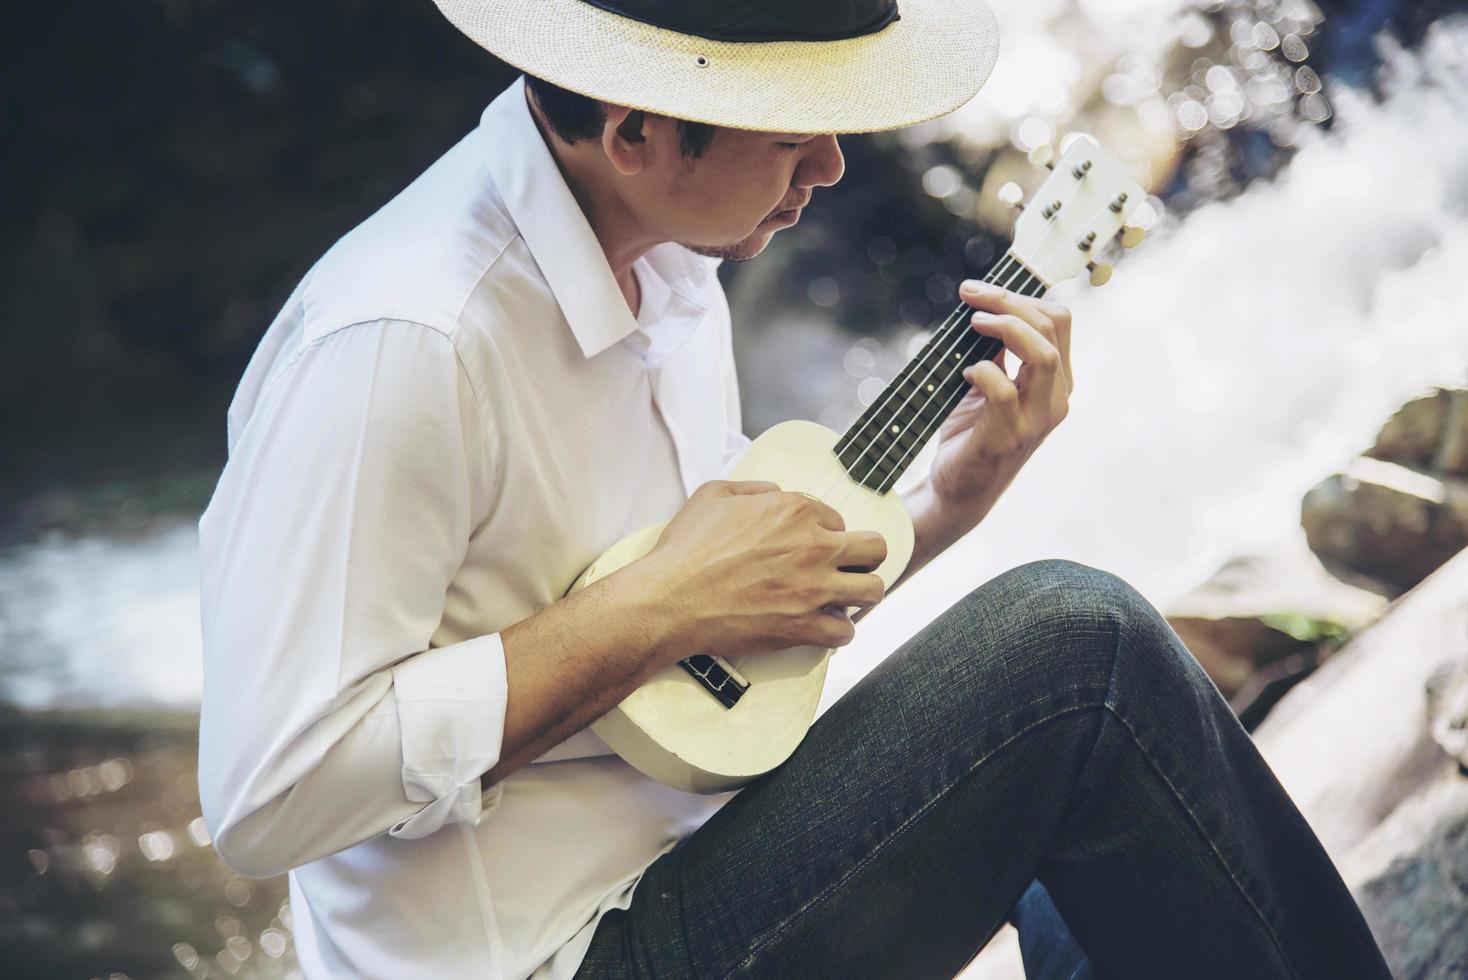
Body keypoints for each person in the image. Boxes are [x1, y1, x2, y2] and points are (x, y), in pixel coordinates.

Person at [195, 1, 1395, 977]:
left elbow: (713, 659)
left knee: (1078, 791)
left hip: (691, 856)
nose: (829, 164)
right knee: (1081, 656)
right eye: (791, 131)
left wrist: (945, 506)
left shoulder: (670, 255)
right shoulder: (406, 342)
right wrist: (651, 605)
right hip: (551, 950)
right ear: (635, 129)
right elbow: (268, 794)